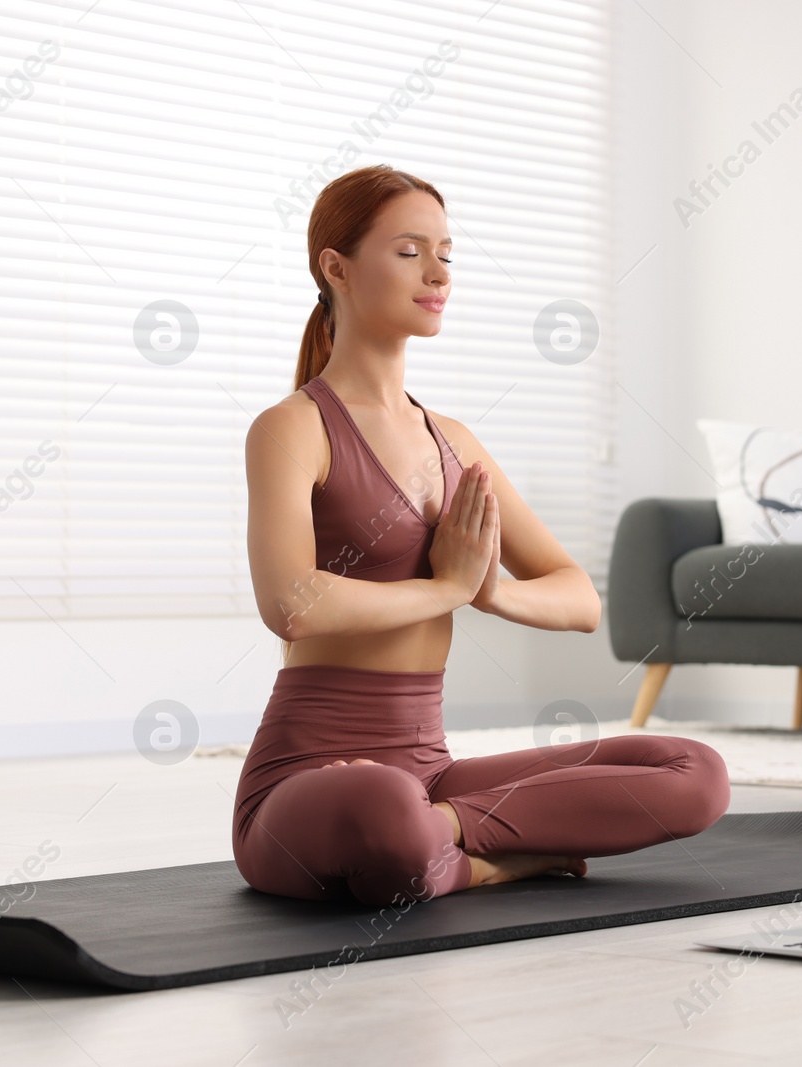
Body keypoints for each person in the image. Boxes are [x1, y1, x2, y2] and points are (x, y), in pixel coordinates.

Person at [234, 163, 730, 907]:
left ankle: (449, 838)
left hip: (430, 772)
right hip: (308, 777)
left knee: (695, 772)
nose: (438, 272)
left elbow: (579, 598)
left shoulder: (454, 441)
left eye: (446, 253)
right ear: (334, 266)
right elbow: (293, 603)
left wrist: (490, 590)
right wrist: (445, 588)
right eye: (409, 251)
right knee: (382, 810)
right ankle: (495, 855)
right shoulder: (292, 428)